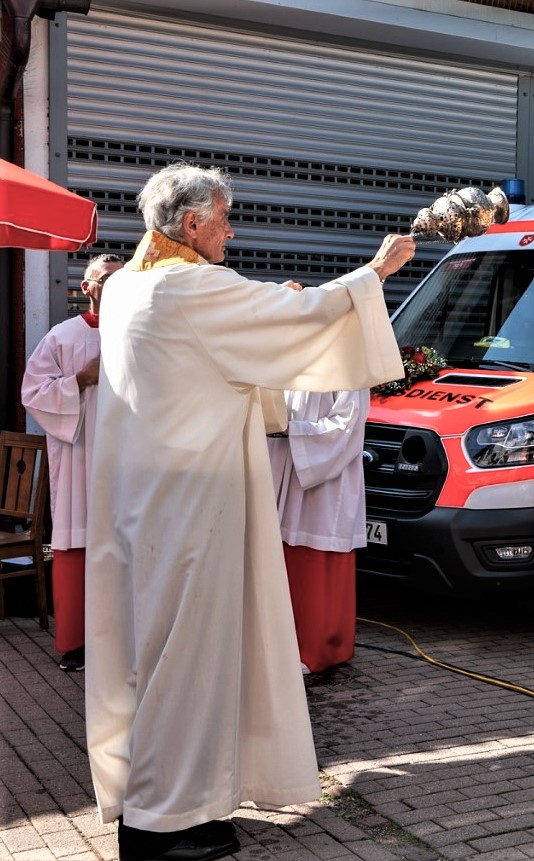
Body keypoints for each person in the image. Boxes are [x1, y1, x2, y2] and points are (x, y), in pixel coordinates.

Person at [85, 162, 412, 861]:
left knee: (165, 656)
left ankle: (186, 806)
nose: (231, 232)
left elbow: (222, 353)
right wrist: (374, 273)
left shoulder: (127, 287)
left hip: (144, 504)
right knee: (185, 660)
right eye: (225, 219)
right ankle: (156, 827)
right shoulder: (190, 287)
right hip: (191, 509)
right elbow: (297, 320)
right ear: (192, 223)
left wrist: (270, 314)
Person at [20, 252, 124, 673]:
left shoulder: (142, 336)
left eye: (123, 280)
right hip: (81, 456)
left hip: (127, 462)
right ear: (87, 288)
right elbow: (32, 393)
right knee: (78, 542)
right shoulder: (62, 337)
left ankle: (123, 641)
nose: (116, 287)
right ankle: (78, 644)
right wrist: (80, 379)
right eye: (107, 280)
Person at [268, 388, 369, 674]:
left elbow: (347, 424)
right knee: (279, 551)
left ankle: (317, 649)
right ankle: (280, 645)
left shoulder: (348, 367)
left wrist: (292, 431)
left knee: (315, 549)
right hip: (281, 466)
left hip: (326, 481)